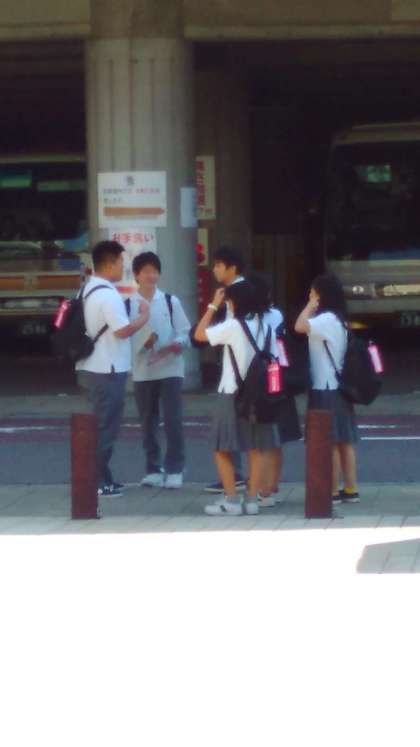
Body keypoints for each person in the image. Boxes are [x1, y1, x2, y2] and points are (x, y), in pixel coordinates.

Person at [194, 280, 281, 516]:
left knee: (221, 447)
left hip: (231, 392)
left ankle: (231, 500)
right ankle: (252, 500)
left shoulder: (233, 326)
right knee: (256, 448)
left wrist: (213, 306)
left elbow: (199, 335)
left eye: (229, 301)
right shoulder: (267, 328)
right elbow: (275, 362)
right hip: (261, 395)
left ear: (235, 302)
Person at [76, 240, 150, 498]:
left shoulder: (86, 289)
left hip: (90, 366)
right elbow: (122, 331)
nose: (123, 268)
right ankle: (97, 481)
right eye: (121, 262)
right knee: (105, 427)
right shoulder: (108, 295)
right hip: (107, 369)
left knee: (99, 424)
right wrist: (143, 318)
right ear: (110, 263)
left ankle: (102, 477)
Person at [294, 273, 359, 504]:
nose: (310, 294)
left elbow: (299, 326)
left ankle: (332, 491)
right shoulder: (339, 319)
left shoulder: (325, 320)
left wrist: (310, 305)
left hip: (325, 387)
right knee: (344, 441)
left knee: (328, 441)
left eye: (314, 291)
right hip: (340, 388)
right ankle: (351, 489)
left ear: (322, 294)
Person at [129, 252, 191, 489]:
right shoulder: (128, 304)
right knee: (147, 422)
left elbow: (185, 331)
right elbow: (124, 338)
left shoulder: (169, 301)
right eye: (146, 271)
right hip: (143, 371)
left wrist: (177, 343)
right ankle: (153, 468)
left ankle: (175, 468)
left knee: (173, 419)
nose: (151, 276)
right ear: (136, 275)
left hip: (171, 368)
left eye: (155, 271)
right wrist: (144, 345)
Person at [248, 273, 302, 508]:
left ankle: (262, 489)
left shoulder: (245, 319)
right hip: (278, 377)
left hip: (256, 380)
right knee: (276, 437)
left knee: (260, 437)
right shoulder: (276, 315)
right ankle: (271, 487)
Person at [200, 246, 247, 494]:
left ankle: (232, 491)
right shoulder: (241, 293)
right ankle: (257, 493)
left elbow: (200, 335)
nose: (214, 269)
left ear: (232, 268)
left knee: (223, 440)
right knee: (255, 441)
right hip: (247, 376)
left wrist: (212, 306)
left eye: (219, 265)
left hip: (233, 379)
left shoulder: (237, 295)